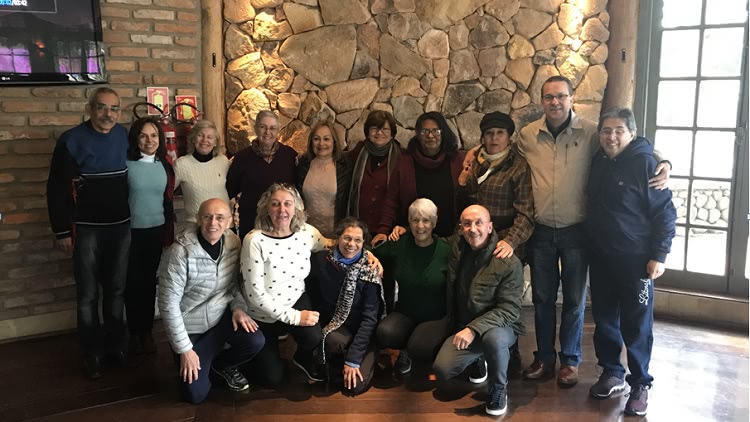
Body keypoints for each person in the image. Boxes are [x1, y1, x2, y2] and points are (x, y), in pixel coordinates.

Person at [517, 76, 671, 386]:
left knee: (575, 300)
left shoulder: (591, 133)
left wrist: (662, 160)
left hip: (579, 232)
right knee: (543, 299)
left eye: (561, 96)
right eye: (549, 97)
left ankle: (571, 361)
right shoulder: (527, 135)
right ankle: (545, 357)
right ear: (541, 101)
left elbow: (633, 147)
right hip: (543, 231)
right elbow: (507, 158)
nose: (555, 102)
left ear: (572, 99)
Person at [585, 107, 676, 417]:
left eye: (618, 131)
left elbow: (665, 214)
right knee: (605, 319)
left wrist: (658, 256)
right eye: (606, 131)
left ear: (631, 134)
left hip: (637, 263)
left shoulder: (647, 164)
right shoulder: (598, 160)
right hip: (600, 258)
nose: (611, 136)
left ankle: (640, 383)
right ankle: (612, 372)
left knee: (637, 324)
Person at [46, 87, 130, 379]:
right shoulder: (70, 140)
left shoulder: (123, 136)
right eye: (102, 108)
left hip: (120, 226)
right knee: (87, 295)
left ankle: (116, 347)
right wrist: (61, 232)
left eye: (114, 109)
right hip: (85, 230)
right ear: (90, 108)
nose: (109, 114)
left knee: (117, 291)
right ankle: (91, 353)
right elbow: (56, 190)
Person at [158, 198, 265, 404]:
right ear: (198, 219)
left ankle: (222, 365)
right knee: (195, 395)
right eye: (207, 217)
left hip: (220, 319)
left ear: (229, 222)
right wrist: (185, 350)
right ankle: (203, 359)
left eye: (219, 218)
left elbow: (234, 284)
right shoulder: (180, 253)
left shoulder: (234, 242)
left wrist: (238, 307)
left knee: (255, 340)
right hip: (191, 329)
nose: (213, 223)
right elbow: (168, 305)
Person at [432, 205, 525, 416]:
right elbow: (427, 240)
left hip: (500, 327)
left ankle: (498, 389)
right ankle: (478, 359)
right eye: (467, 224)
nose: (473, 229)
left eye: (478, 223)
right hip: (465, 326)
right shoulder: (456, 248)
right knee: (442, 369)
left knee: (494, 340)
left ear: (490, 227)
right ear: (460, 228)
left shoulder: (508, 262)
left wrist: (473, 329)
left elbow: (509, 310)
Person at [240, 183, 330, 386]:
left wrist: (367, 254)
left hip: (295, 299)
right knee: (272, 379)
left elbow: (332, 245)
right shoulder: (254, 240)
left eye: (288, 204)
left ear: (297, 208)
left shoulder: (306, 232)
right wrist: (296, 317)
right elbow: (255, 295)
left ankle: (302, 358)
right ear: (266, 209)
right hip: (262, 314)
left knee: (313, 336)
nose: (282, 210)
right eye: (275, 204)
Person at [305, 218, 385, 395]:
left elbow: (370, 319)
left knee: (354, 387)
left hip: (363, 331)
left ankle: (362, 356)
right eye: (347, 238)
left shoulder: (369, 270)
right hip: (337, 327)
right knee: (332, 342)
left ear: (364, 243)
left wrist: (353, 360)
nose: (352, 244)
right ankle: (337, 361)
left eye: (358, 240)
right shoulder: (321, 261)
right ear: (337, 239)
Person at [374, 198, 450, 375]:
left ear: (434, 222)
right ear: (409, 222)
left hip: (435, 316)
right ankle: (404, 350)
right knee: (385, 332)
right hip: (406, 313)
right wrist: (372, 257)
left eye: (426, 220)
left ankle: (418, 348)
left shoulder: (446, 250)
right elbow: (373, 250)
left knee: (420, 348)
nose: (420, 226)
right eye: (415, 220)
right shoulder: (401, 244)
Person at [373, 111, 465, 244]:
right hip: (414, 236)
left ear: (443, 133)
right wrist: (383, 231)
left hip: (451, 237)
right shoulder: (404, 163)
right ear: (418, 135)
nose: (430, 135)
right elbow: (392, 201)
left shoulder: (457, 161)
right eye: (424, 131)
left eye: (436, 131)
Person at [125, 117, 175, 357]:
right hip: (131, 233)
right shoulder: (126, 165)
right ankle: (134, 333)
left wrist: (168, 234)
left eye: (154, 135)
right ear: (136, 138)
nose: (149, 140)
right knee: (132, 284)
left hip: (156, 231)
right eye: (144, 136)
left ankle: (146, 333)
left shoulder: (164, 165)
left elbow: (167, 202)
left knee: (148, 284)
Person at [457, 111, 534, 262]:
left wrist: (510, 241)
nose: (494, 138)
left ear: (509, 136)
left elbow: (526, 213)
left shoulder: (518, 167)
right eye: (489, 133)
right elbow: (462, 204)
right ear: (483, 137)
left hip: (503, 240)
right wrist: (461, 185)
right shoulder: (473, 162)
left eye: (500, 133)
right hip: (472, 236)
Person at [227, 111, 297, 240]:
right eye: (263, 127)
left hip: (282, 221)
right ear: (255, 128)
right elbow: (231, 188)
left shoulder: (289, 155)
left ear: (278, 131)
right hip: (251, 220)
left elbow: (296, 187)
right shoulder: (242, 157)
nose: (267, 132)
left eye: (272, 128)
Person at [346, 110, 404, 237]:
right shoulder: (357, 153)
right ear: (367, 132)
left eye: (385, 129)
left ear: (392, 133)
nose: (379, 133)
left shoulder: (402, 157)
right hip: (358, 228)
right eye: (374, 129)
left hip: (389, 230)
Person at [296, 119, 353, 238]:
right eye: (316, 139)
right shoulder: (303, 164)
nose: (321, 144)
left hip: (336, 235)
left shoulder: (345, 166)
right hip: (306, 234)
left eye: (326, 139)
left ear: (334, 141)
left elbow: (349, 201)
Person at [173, 120, 231, 235]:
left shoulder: (223, 162)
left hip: (223, 227)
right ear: (193, 139)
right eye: (200, 135)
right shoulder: (182, 164)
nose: (205, 140)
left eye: (210, 137)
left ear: (215, 142)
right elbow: (166, 193)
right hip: (195, 228)